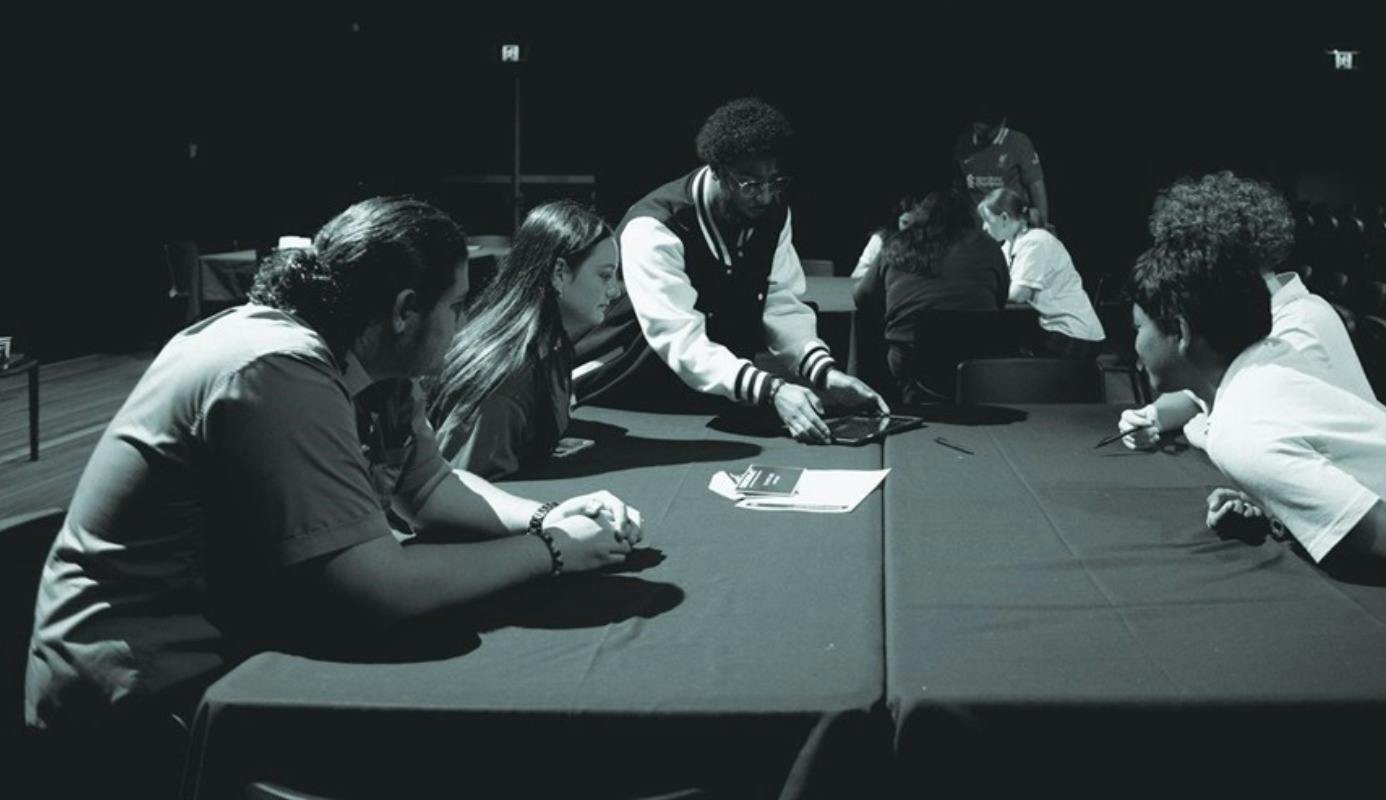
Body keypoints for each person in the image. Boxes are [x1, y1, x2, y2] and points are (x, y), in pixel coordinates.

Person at [25, 197, 644, 782]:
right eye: (455, 306)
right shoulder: (274, 366)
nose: (462, 325)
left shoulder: (376, 360)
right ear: (405, 309)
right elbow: (376, 587)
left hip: (232, 646)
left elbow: (427, 486)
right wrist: (554, 552)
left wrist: (548, 516)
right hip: (144, 704)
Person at [1128, 235, 1386, 654]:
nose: (1135, 346)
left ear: (1183, 333)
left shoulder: (1242, 427)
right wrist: (1278, 510)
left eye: (1139, 328)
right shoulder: (1265, 365)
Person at [574, 97, 886, 442]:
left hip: (706, 395)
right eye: (750, 184)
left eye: (774, 181)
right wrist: (772, 389)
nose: (765, 196)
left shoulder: (772, 213)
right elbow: (679, 340)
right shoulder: (654, 228)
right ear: (716, 172)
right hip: (623, 394)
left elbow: (780, 302)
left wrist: (823, 373)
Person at [1120, 170, 1374, 450]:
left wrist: (1201, 430)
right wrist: (1153, 416)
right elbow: (1201, 393)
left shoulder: (1301, 323)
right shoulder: (1238, 313)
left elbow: (1261, 434)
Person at [428, 200, 622, 480]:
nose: (615, 291)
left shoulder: (550, 344)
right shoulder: (505, 380)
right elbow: (463, 490)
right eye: (605, 276)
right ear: (559, 273)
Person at [852, 187, 1009, 405]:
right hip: (975, 362)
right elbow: (1000, 299)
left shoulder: (898, 244)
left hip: (911, 362)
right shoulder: (990, 247)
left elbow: (862, 297)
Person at [976, 187, 1104, 356]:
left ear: (1004, 218)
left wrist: (984, 292)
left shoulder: (1036, 241)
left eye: (987, 220)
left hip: (1073, 334)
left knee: (1007, 351)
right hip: (1053, 329)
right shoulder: (1010, 244)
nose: (984, 227)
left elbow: (1019, 294)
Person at [954, 111, 1049, 227]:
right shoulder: (963, 144)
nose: (981, 129)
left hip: (1011, 223)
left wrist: (1043, 226)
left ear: (1002, 123)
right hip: (979, 227)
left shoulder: (1018, 142)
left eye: (987, 128)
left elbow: (1036, 185)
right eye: (978, 125)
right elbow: (959, 187)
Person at [849, 193, 920, 280]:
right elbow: (857, 274)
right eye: (905, 223)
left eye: (915, 224)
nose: (908, 229)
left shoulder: (928, 243)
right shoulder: (879, 239)